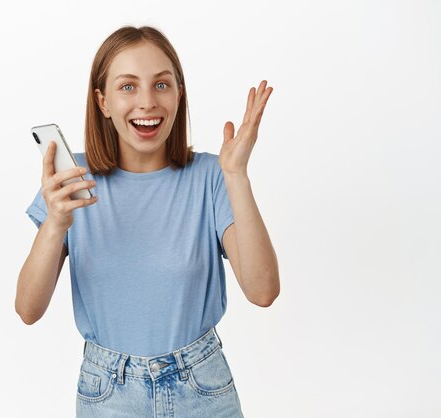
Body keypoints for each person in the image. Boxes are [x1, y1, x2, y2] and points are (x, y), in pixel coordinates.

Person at [15, 25, 280, 417]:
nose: (147, 102)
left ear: (178, 94)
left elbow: (263, 291)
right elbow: (28, 309)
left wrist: (237, 176)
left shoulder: (211, 176)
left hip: (201, 389)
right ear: (102, 101)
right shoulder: (71, 184)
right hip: (108, 394)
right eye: (127, 87)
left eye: (161, 85)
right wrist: (55, 223)